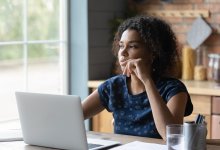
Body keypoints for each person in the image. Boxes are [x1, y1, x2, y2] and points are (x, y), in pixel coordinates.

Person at [82, 15, 193, 140]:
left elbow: (171, 137)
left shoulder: (174, 89)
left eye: (133, 46)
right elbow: (73, 116)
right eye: (121, 45)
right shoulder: (113, 86)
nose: (123, 53)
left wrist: (147, 80)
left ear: (153, 52)